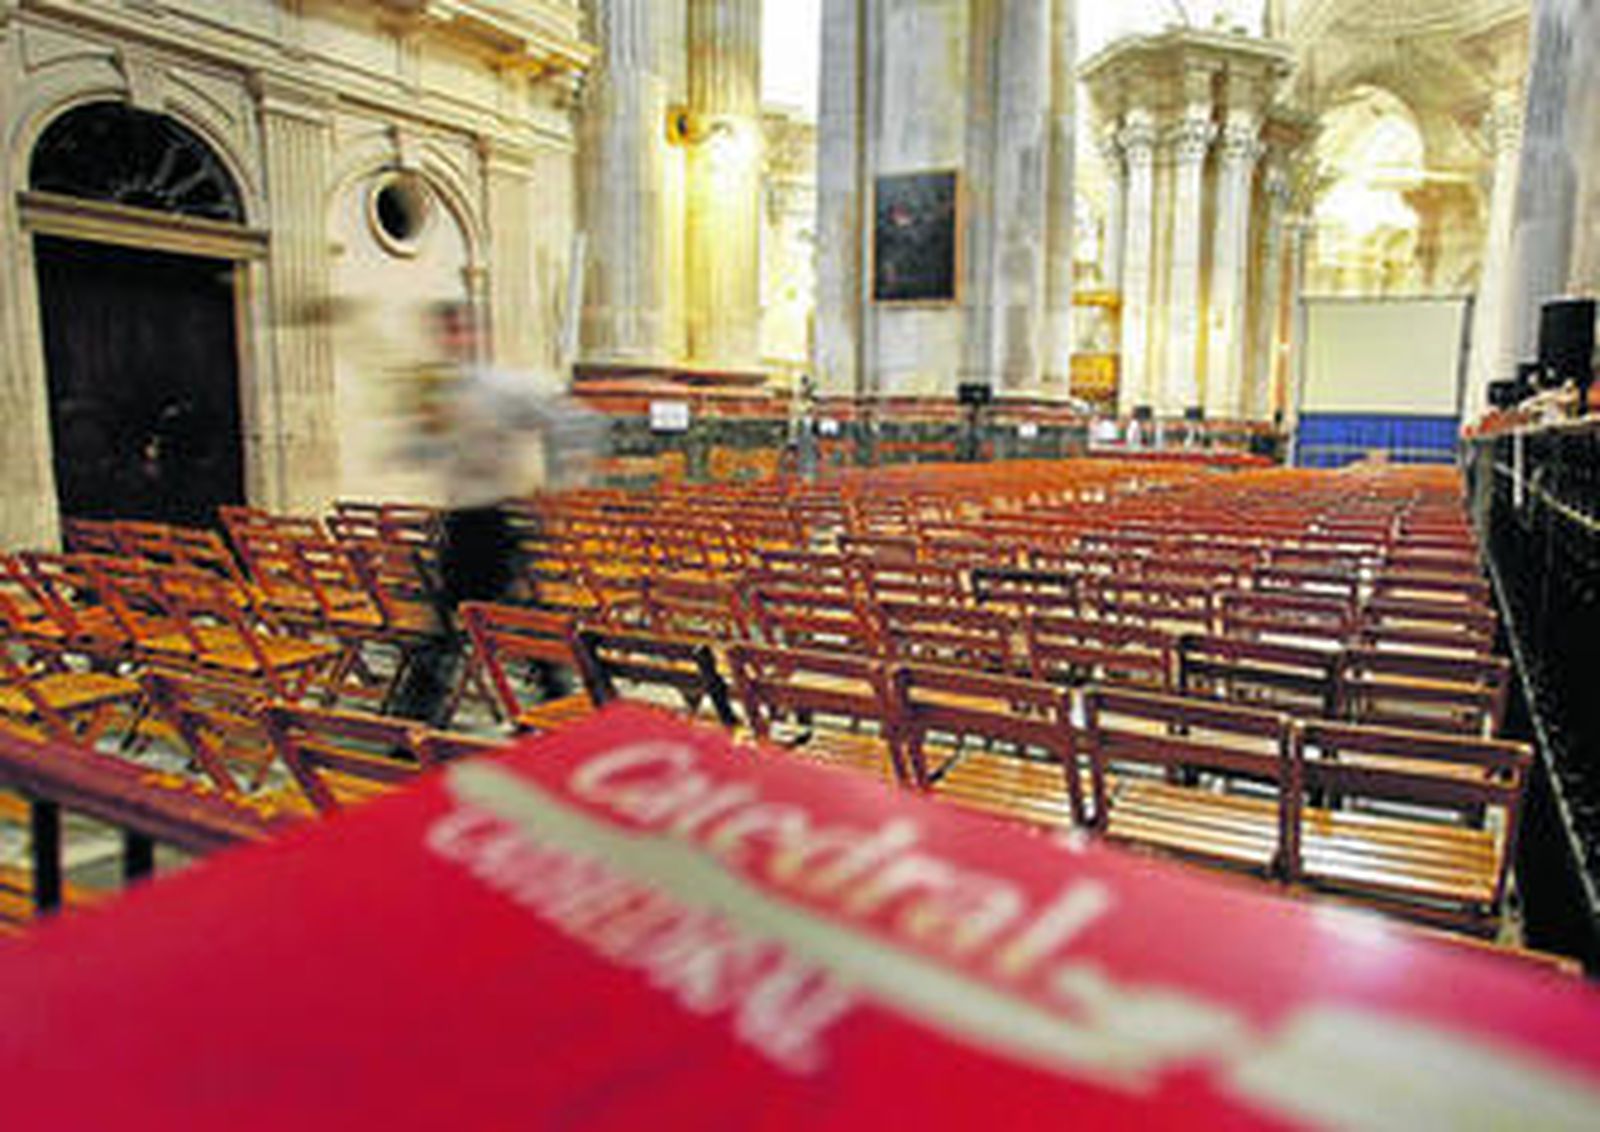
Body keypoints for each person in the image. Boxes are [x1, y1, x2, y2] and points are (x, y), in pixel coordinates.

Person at [388, 301, 601, 726]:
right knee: (454, 627)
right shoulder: (438, 392)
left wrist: (559, 481)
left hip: (497, 519)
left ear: (475, 335)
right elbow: (414, 454)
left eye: (457, 331)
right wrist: (425, 427)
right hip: (459, 520)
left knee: (510, 622)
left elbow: (573, 421)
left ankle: (558, 707)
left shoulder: (502, 387)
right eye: (444, 333)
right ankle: (416, 724)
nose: (450, 341)